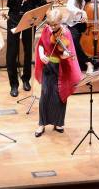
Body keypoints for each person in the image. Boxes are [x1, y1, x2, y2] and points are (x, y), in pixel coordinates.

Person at [0, 0, 57, 97]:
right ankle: (13, 84)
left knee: (28, 49)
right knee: (11, 52)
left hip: (30, 16)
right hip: (14, 17)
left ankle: (26, 79)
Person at [33, 9, 82, 137]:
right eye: (51, 24)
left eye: (55, 24)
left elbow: (69, 52)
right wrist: (41, 54)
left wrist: (66, 56)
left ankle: (58, 122)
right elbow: (41, 44)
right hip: (48, 66)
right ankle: (41, 124)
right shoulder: (46, 29)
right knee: (45, 94)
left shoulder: (66, 33)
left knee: (60, 95)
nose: (53, 27)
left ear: (60, 21)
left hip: (60, 67)